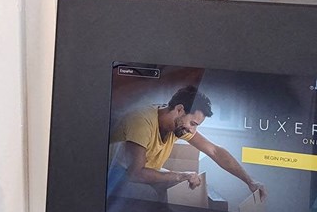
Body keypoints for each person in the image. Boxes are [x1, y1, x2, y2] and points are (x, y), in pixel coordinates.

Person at [108, 85, 267, 203]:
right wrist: (180, 175)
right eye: (192, 123)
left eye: (196, 125)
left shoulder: (178, 126)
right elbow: (135, 173)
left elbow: (215, 151)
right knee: (150, 196)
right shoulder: (142, 121)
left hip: (138, 171)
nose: (192, 130)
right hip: (112, 175)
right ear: (179, 109)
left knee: (181, 187)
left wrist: (250, 181)